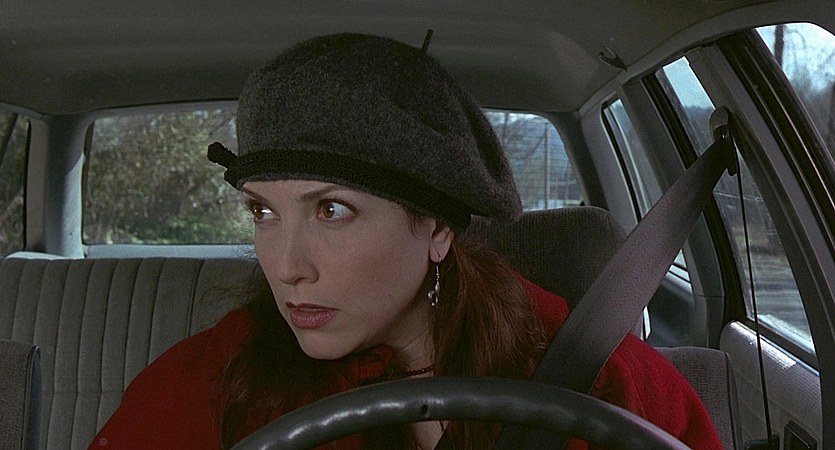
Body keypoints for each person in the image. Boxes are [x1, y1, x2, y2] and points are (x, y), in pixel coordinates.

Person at [89, 33, 722, 450]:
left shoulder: (582, 368)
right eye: (263, 211)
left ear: (438, 229)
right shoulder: (220, 374)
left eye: (332, 210)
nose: (286, 267)